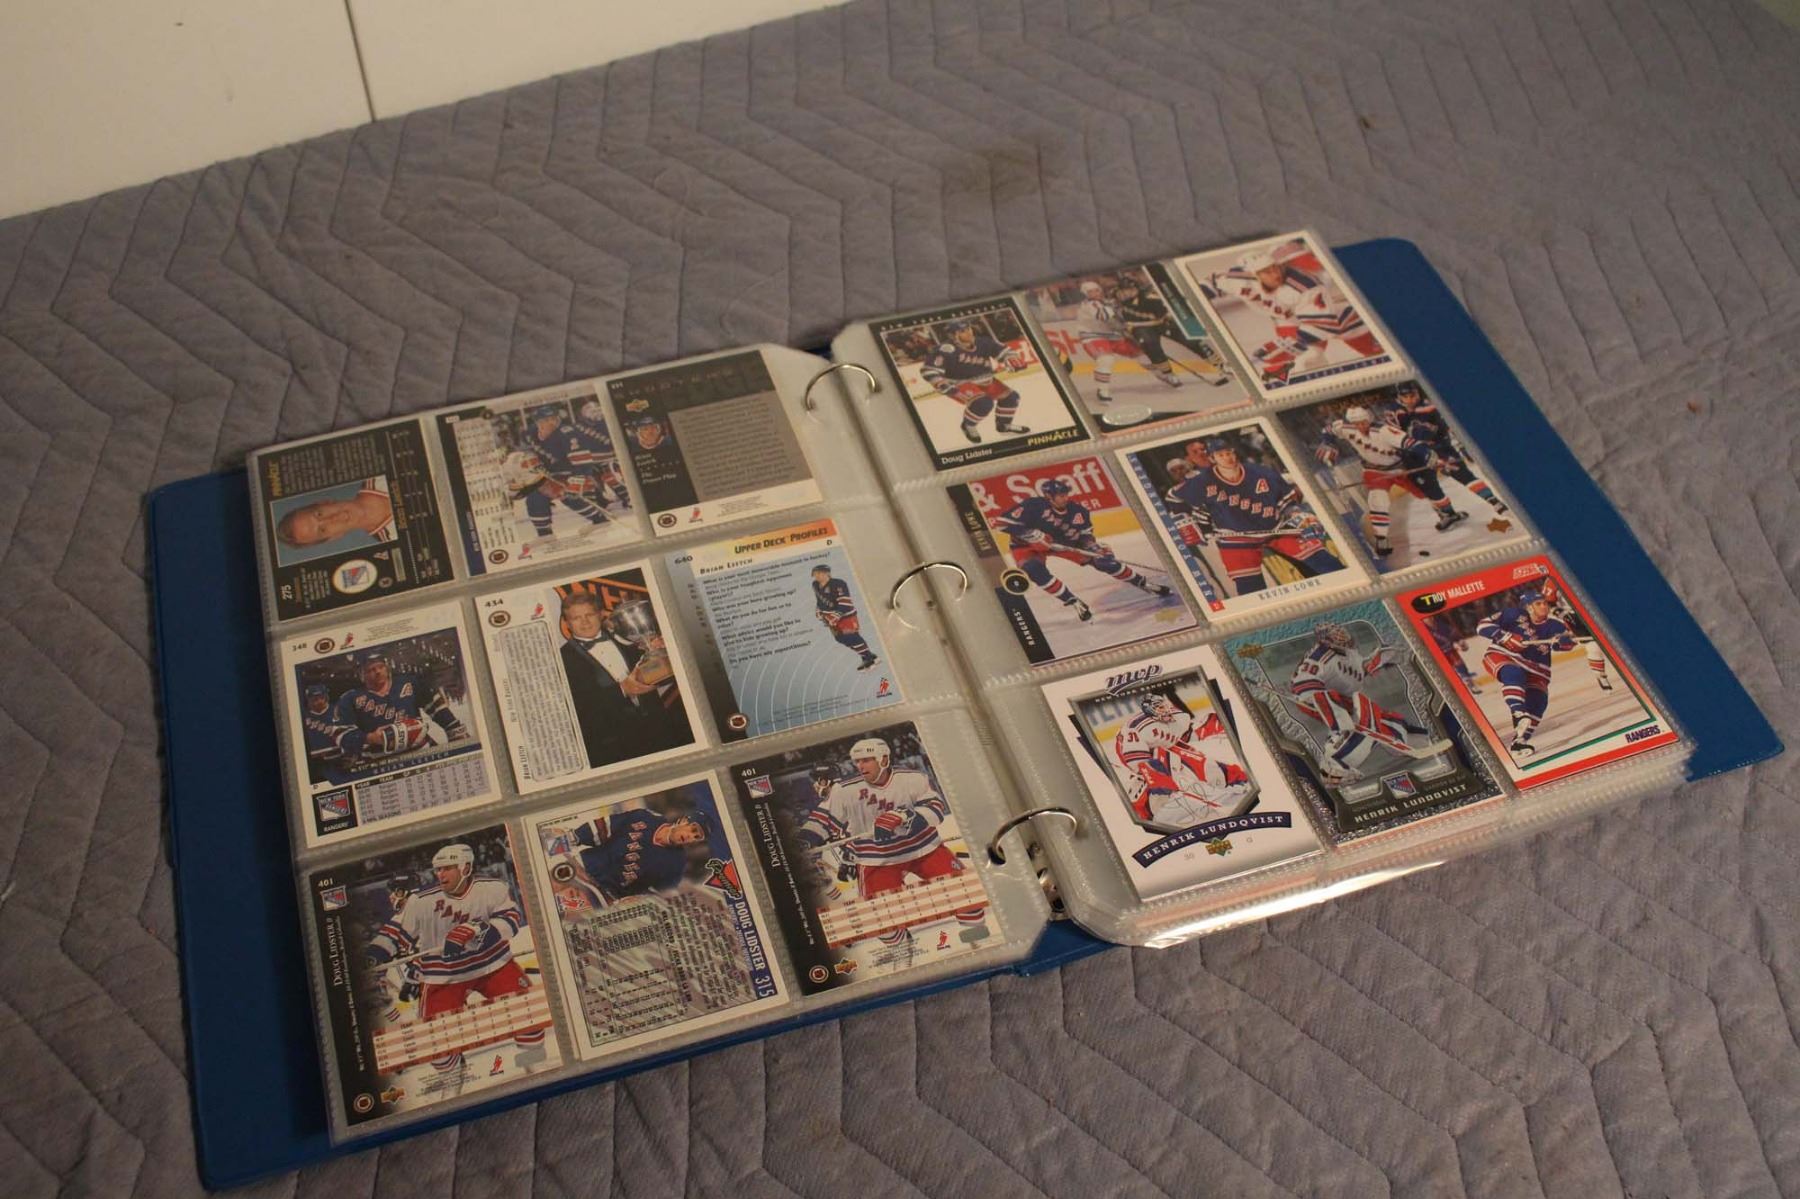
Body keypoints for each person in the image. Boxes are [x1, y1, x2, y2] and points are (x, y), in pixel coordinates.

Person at [365, 844, 547, 1095]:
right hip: (444, 976)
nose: (440, 874)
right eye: (438, 869)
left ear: (466, 868)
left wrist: (479, 931)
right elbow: (394, 933)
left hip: (493, 965)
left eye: (448, 868)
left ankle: (534, 1066)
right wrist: (374, 955)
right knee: (437, 1047)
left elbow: (511, 919)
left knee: (530, 1018)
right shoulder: (421, 902)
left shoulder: (492, 888)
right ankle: (453, 1073)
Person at [798, 738, 987, 955]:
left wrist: (907, 817)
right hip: (877, 860)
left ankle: (979, 944)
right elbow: (822, 819)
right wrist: (806, 838)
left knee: (968, 897)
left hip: (924, 849)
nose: (860, 766)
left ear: (884, 759)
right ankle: (906, 950)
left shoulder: (912, 778)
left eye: (867, 760)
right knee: (884, 926)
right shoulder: (844, 790)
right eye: (858, 761)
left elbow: (935, 807)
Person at [993, 477, 1170, 622]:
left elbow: (1085, 537)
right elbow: (1000, 523)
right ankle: (1074, 602)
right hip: (1026, 546)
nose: (1065, 498)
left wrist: (1093, 547)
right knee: (1033, 570)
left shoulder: (1078, 512)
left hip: (1062, 544)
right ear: (1048, 496)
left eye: (1066, 494)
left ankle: (1144, 583)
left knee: (1104, 562)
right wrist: (1028, 533)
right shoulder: (1032, 505)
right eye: (1060, 495)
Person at [557, 591, 688, 768]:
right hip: (616, 746)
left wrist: (662, 653)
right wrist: (623, 689)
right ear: (567, 623)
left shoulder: (628, 637)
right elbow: (579, 707)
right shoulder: (562, 659)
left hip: (661, 729)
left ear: (600, 614)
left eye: (589, 615)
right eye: (576, 618)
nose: (585, 622)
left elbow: (660, 679)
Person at [326, 650, 469, 772]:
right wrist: (369, 738)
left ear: (387, 668)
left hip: (421, 751)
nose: (377, 672)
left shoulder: (409, 683)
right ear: (361, 674)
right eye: (371, 669)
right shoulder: (350, 698)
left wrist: (453, 728)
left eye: (380, 667)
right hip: (380, 762)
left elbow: (437, 708)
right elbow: (339, 734)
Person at [546, 809, 710, 901]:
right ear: (683, 820)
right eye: (693, 829)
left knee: (565, 912)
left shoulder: (676, 864)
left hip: (604, 894)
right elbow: (604, 828)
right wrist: (570, 839)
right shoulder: (646, 818)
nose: (690, 836)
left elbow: (659, 896)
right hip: (584, 864)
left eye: (696, 837)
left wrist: (636, 902)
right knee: (545, 887)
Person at [276, 479, 394, 553]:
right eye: (322, 530)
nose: (331, 519)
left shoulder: (379, 476)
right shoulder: (392, 542)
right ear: (334, 537)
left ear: (324, 502)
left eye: (319, 514)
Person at [810, 564, 880, 670]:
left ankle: (868, 659)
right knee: (840, 638)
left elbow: (845, 603)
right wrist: (819, 611)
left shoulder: (838, 584)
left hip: (846, 616)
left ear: (827, 573)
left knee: (851, 637)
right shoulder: (815, 585)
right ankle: (869, 656)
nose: (817, 576)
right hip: (829, 618)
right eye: (815, 574)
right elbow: (819, 600)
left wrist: (835, 616)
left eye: (819, 573)